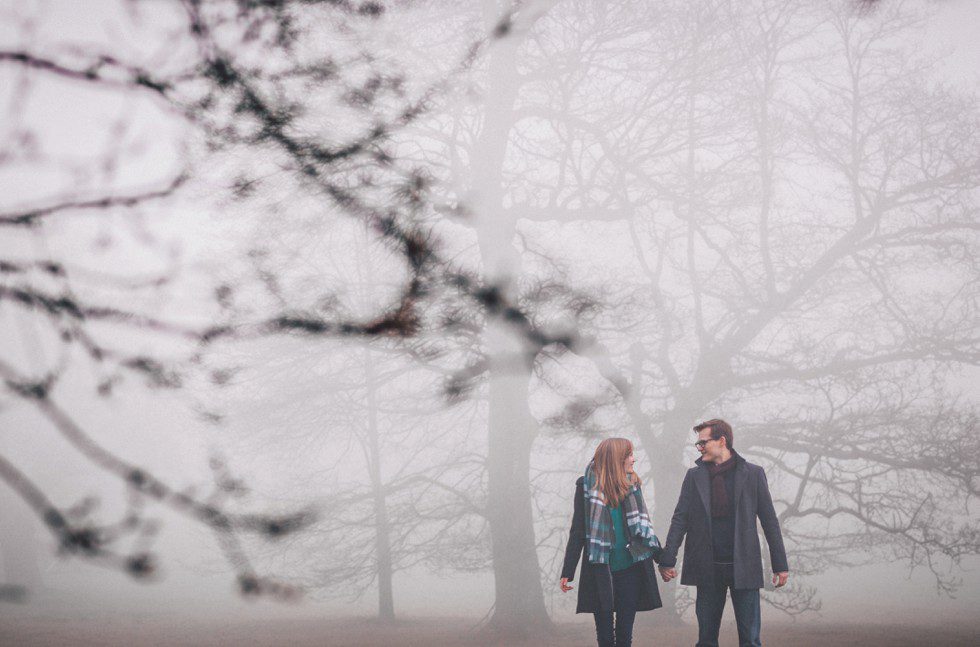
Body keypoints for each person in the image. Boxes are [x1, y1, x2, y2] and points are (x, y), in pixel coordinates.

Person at [658, 419, 789, 647]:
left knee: (750, 641)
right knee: (706, 641)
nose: (699, 448)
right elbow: (681, 519)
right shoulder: (694, 477)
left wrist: (780, 564)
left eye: (703, 443)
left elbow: (769, 521)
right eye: (697, 444)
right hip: (707, 568)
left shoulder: (754, 474)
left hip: (745, 567)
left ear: (721, 440)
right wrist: (667, 559)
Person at [560, 437, 663, 647]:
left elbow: (643, 530)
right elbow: (578, 530)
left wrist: (663, 560)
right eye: (629, 455)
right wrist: (567, 571)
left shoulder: (632, 484)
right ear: (617, 458)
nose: (634, 459)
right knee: (605, 638)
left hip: (630, 568)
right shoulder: (586, 486)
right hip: (600, 569)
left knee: (624, 637)